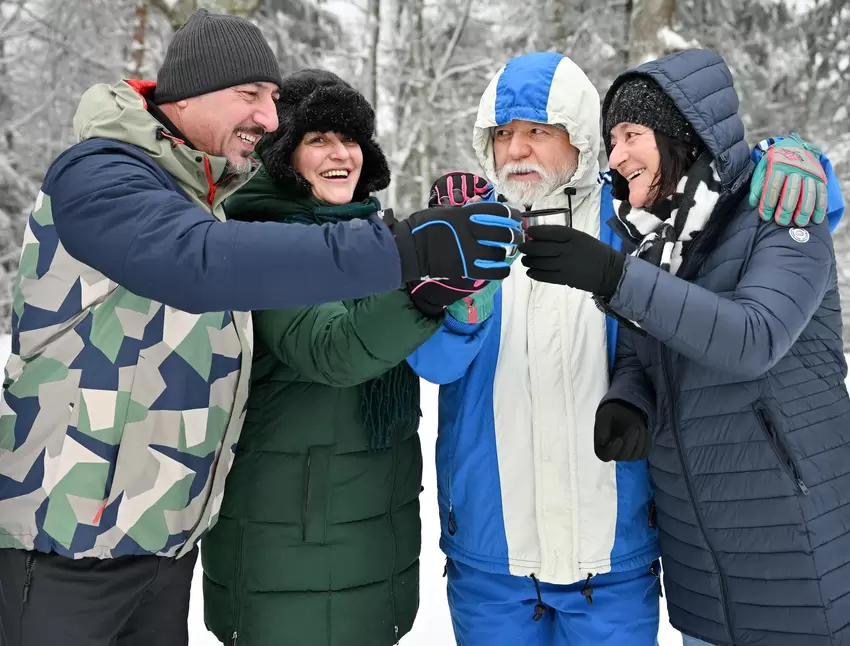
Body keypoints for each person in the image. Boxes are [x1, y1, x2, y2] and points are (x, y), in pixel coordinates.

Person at [0, 10, 523, 646]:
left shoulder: (205, 195)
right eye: (251, 95)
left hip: (160, 546)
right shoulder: (101, 175)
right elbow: (199, 262)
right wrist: (403, 252)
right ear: (188, 90)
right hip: (66, 542)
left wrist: (439, 285)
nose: (269, 119)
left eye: (274, 101)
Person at [408, 51, 838, 646]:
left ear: (578, 138)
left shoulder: (637, 227)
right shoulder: (468, 232)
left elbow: (729, 256)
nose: (516, 150)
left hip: (614, 554)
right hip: (492, 551)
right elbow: (437, 366)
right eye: (502, 134)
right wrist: (452, 299)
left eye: (538, 131)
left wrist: (800, 160)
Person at [200, 69, 476, 646]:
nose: (341, 154)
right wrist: (420, 288)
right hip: (289, 549)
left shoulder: (372, 238)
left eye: (350, 139)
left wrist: (467, 264)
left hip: (375, 540)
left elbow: (433, 354)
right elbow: (334, 350)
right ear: (282, 153)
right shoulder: (261, 238)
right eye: (318, 139)